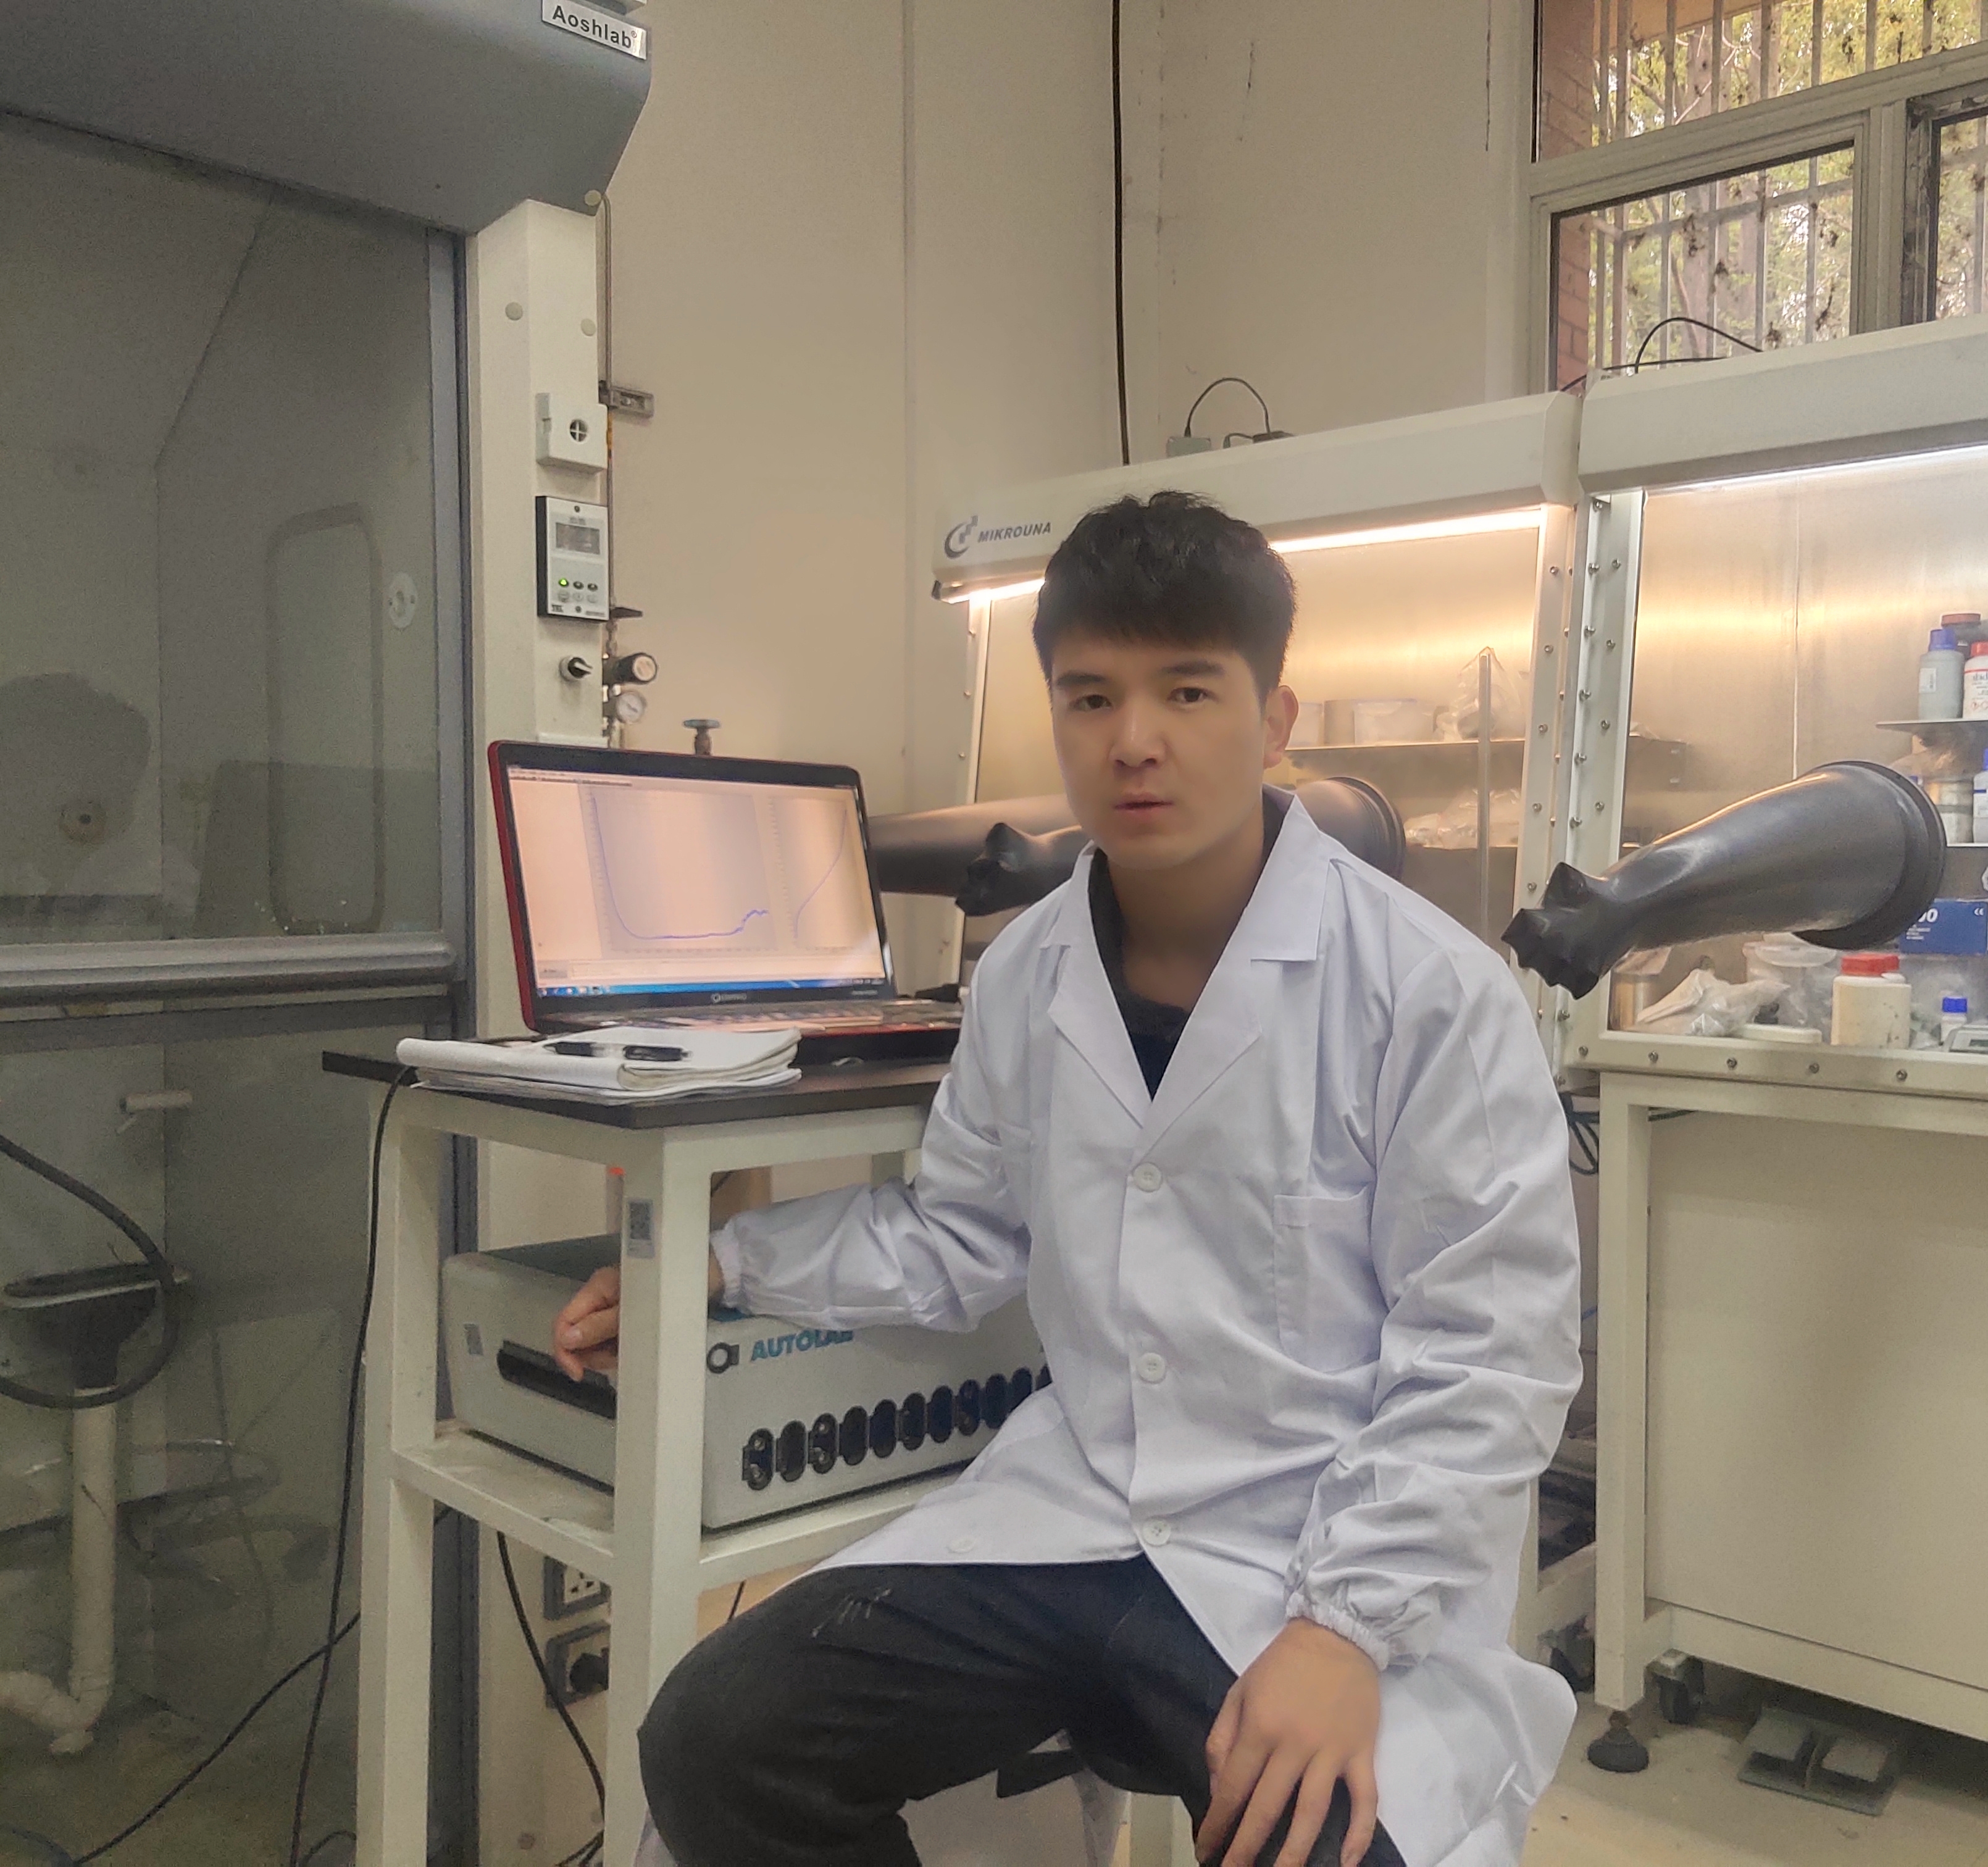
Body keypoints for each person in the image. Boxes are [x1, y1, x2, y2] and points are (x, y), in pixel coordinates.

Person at [551, 490, 1582, 1867]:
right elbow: (955, 1235)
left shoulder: (1428, 991)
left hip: (1310, 1550)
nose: (1133, 740)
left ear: (1275, 720)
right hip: (1073, 1516)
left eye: (1188, 692)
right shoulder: (1025, 974)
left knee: (1336, 1843)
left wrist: (1344, 1631)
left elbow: (1490, 1355)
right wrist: (722, 1268)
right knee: (717, 1736)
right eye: (1090, 698)